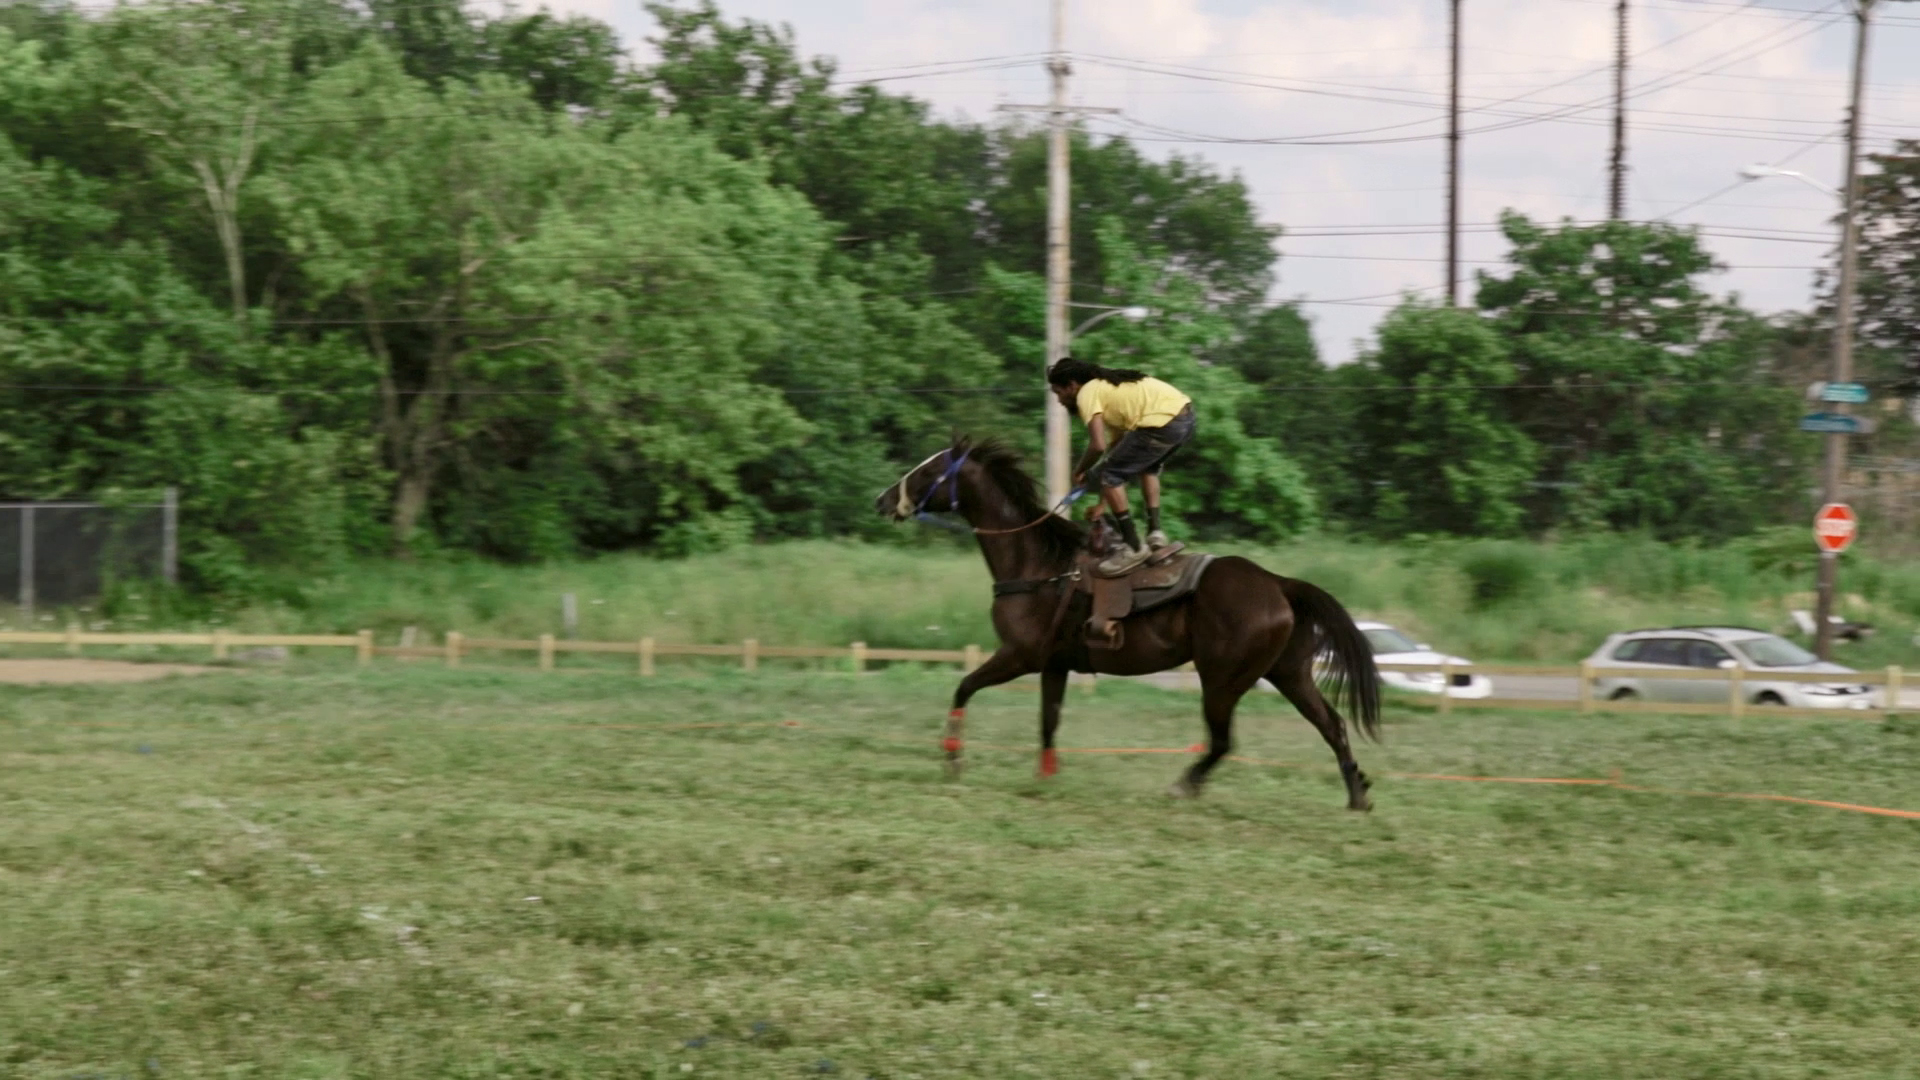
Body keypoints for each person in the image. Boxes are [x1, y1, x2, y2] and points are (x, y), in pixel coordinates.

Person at [1047, 357, 1196, 576]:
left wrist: (1079, 470)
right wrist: (1102, 505)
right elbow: (1115, 455)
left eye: (1059, 392)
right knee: (1147, 468)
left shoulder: (1087, 392)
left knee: (1108, 474)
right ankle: (1155, 533)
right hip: (1185, 419)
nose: (1059, 401)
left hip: (1160, 423)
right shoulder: (1109, 391)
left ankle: (1134, 547)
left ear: (1072, 385)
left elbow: (1098, 446)